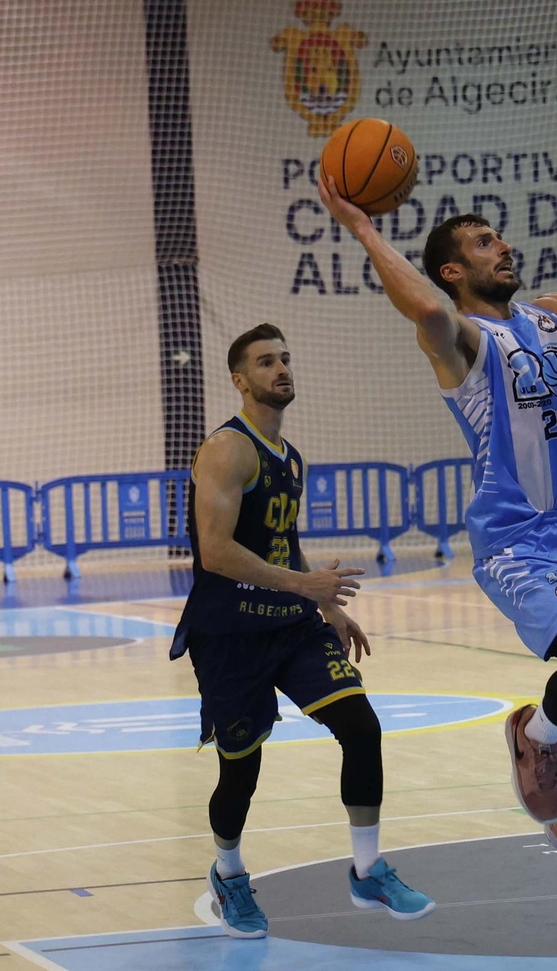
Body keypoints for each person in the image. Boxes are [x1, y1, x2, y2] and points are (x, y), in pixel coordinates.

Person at [318, 172, 557, 914]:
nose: (502, 246)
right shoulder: (462, 342)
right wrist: (363, 227)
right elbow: (424, 309)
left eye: (498, 236)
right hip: (517, 540)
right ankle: (535, 733)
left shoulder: (551, 314)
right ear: (451, 270)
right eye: (481, 242)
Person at [171, 323, 434, 938]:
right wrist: (304, 586)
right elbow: (215, 552)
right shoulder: (227, 449)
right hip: (229, 634)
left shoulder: (291, 457)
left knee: (361, 727)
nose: (281, 368)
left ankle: (368, 871)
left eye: (285, 358)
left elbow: (282, 543)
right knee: (242, 769)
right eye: (266, 362)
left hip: (290, 625)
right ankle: (228, 873)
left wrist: (327, 604)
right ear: (240, 380)